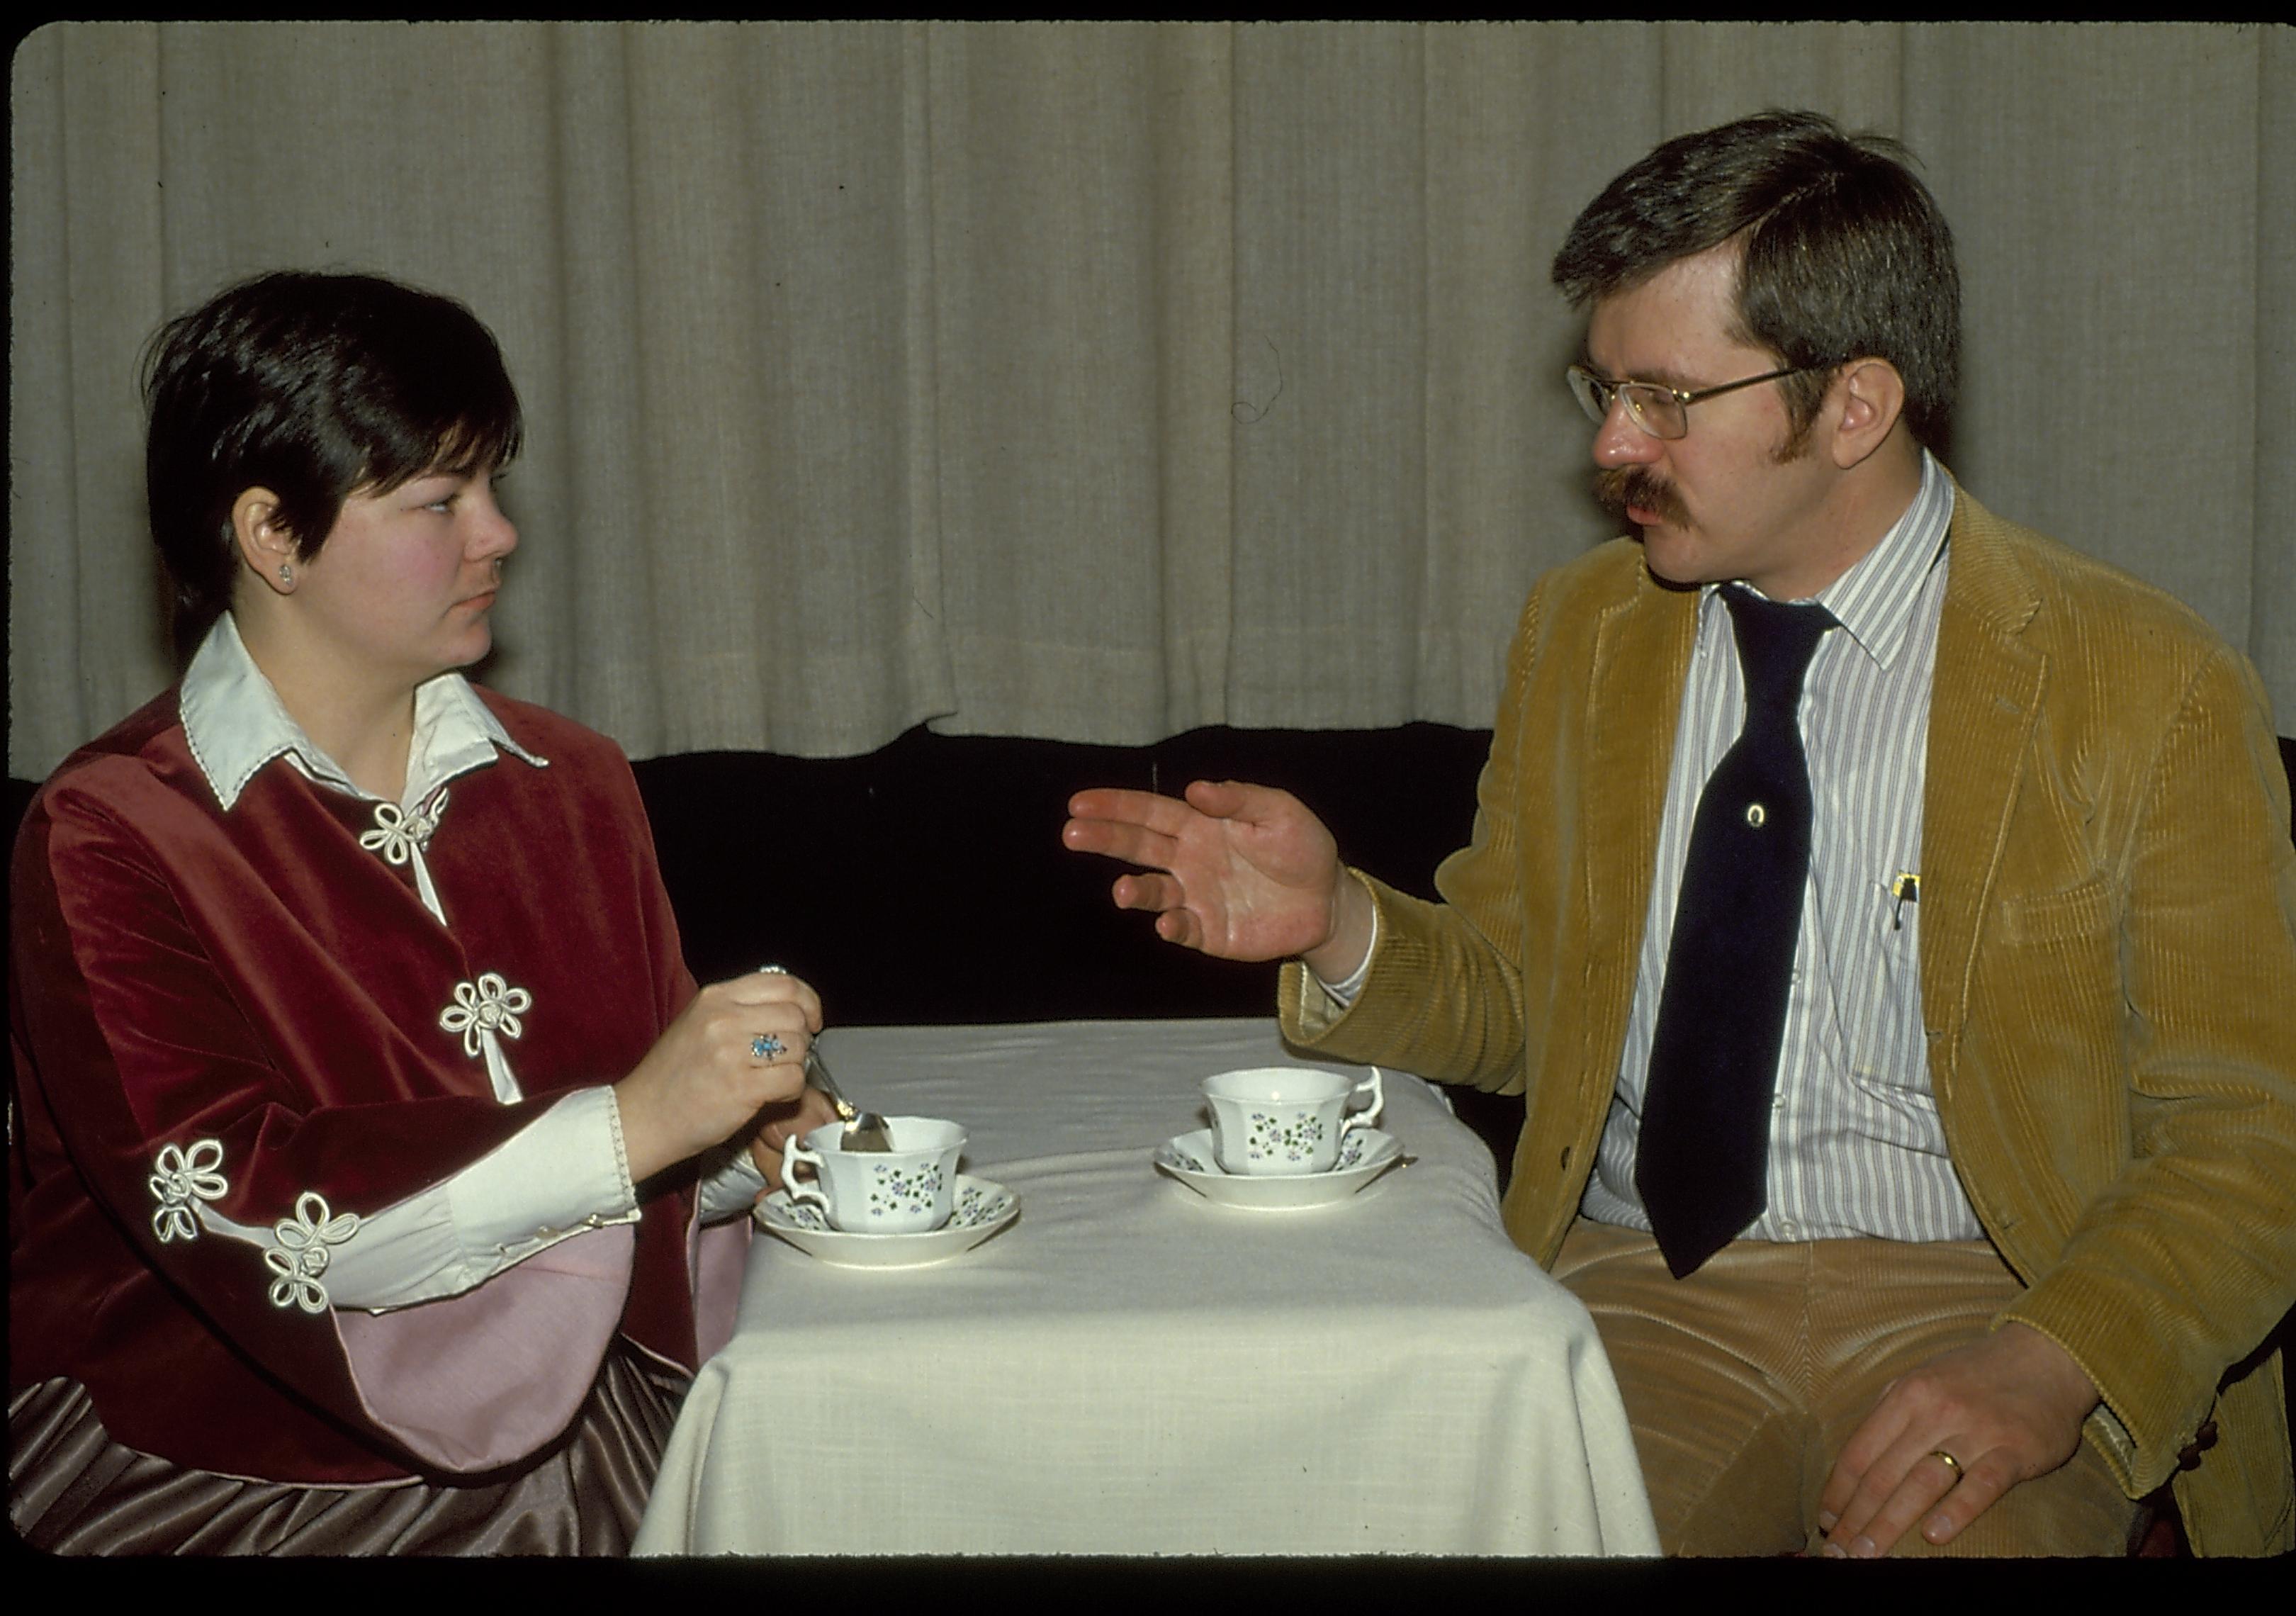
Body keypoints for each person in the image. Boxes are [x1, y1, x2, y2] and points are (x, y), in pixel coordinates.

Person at [1064, 110, 2296, 1557]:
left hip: (1999, 1298)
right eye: (1604, 386)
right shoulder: (1586, 635)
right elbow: (1525, 1009)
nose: (1609, 446)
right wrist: (1339, 921)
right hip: (1644, 1286)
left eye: (1666, 398)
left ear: (1853, 407)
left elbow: (2249, 1132)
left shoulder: (2143, 681)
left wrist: (2051, 1363)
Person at [8, 270, 837, 1554]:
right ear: (272, 536)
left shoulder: (576, 781)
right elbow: (230, 1204)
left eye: (493, 488)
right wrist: (635, 1127)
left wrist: (743, 1142)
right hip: (238, 1455)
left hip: (591, 1412)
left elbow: (625, 1146)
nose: (498, 534)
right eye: (440, 501)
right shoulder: (113, 831)